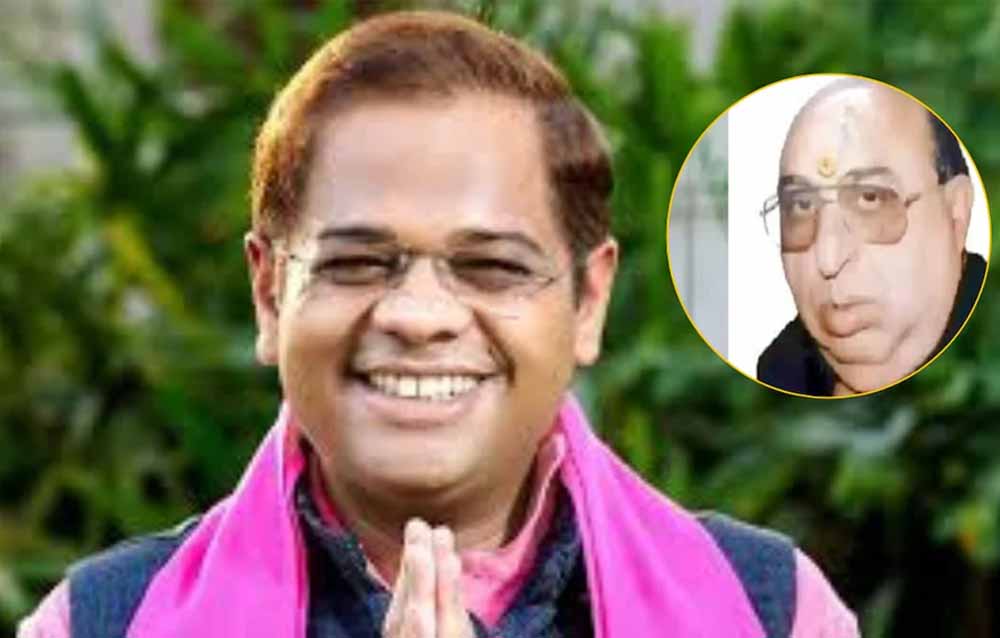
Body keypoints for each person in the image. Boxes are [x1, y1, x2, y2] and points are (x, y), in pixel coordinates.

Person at [20, 11, 857, 638]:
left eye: (491, 266)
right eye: (357, 262)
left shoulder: (773, 610)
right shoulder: (100, 622)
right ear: (271, 294)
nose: (419, 316)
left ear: (588, 301)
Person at [757, 78, 986, 397]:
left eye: (870, 198)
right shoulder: (778, 379)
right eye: (801, 205)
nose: (828, 258)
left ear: (956, 213)